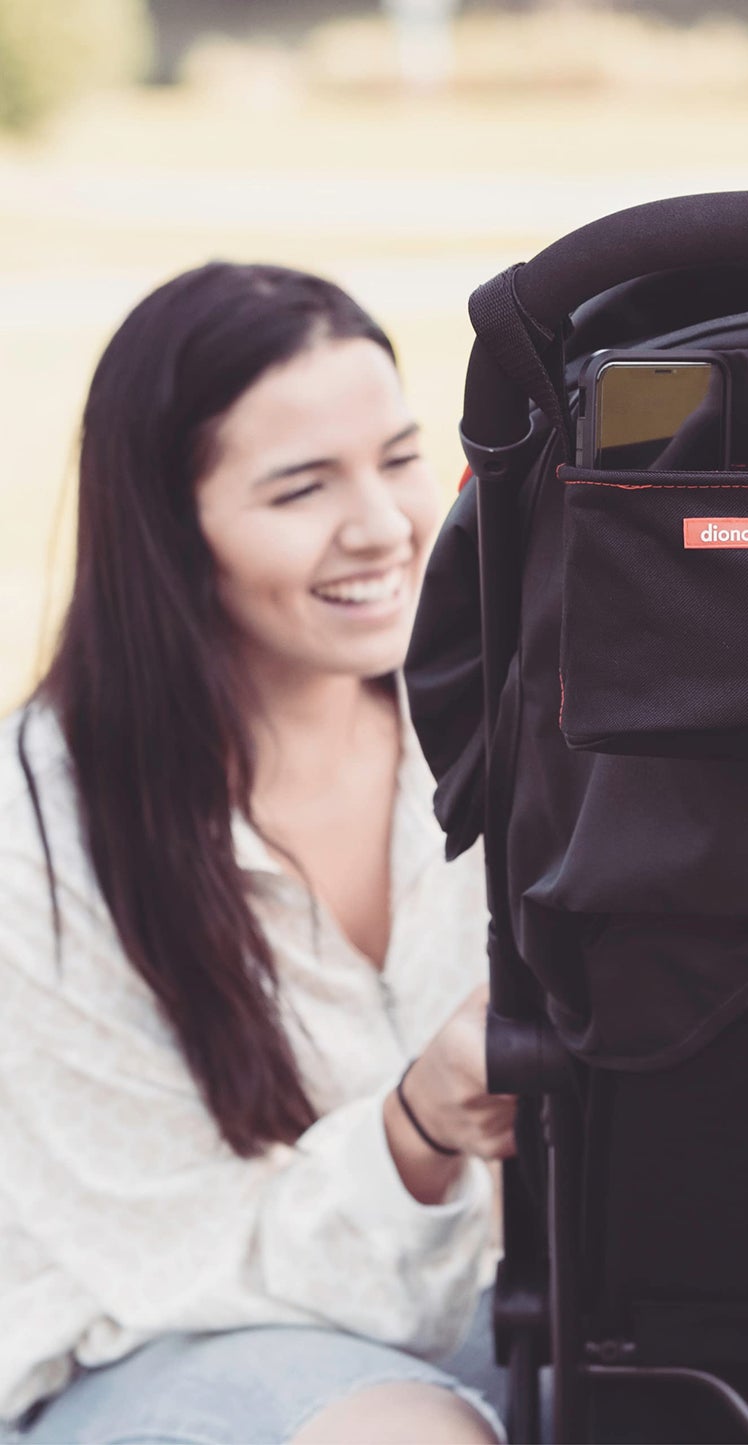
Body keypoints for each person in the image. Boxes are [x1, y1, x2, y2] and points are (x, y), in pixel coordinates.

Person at [0, 263, 514, 1444]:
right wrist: (418, 1126)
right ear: (170, 529)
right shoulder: (38, 835)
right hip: (153, 1347)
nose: (383, 527)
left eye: (398, 458)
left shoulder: (499, 727)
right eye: (301, 487)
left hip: (479, 1314)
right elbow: (178, 1257)